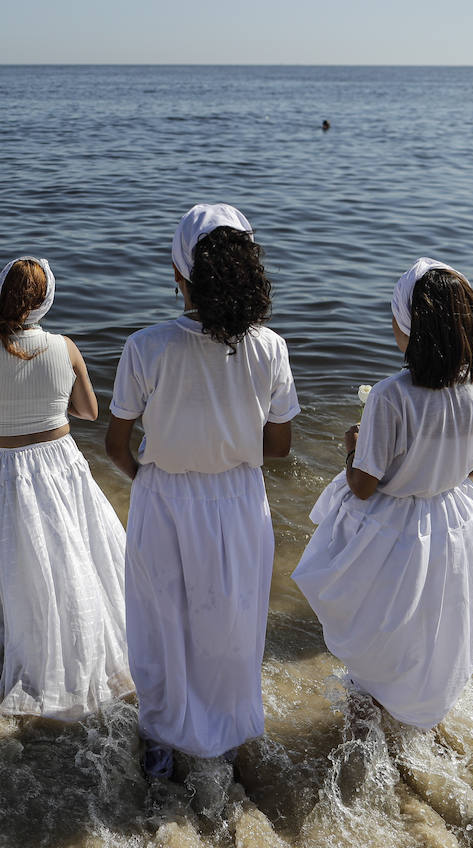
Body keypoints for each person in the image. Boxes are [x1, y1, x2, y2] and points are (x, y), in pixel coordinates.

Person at [105, 204, 299, 778]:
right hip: (240, 499)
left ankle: (164, 739)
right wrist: (228, 454)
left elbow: (117, 444)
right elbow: (281, 446)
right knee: (233, 620)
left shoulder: (147, 346)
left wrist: (155, 477)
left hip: (163, 496)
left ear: (179, 274)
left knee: (162, 621)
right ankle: (230, 730)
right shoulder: (270, 348)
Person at [292, 259, 473, 729]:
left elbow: (364, 486)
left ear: (409, 327)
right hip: (453, 524)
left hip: (395, 535)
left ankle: (367, 729)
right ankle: (418, 716)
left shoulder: (392, 395)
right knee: (434, 628)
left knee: (380, 635)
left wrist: (352, 446)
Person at [0, 256, 132, 720]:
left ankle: (33, 652)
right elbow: (89, 412)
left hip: (5, 470)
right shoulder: (65, 347)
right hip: (59, 462)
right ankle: (84, 650)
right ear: (46, 301)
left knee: (21, 561)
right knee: (74, 555)